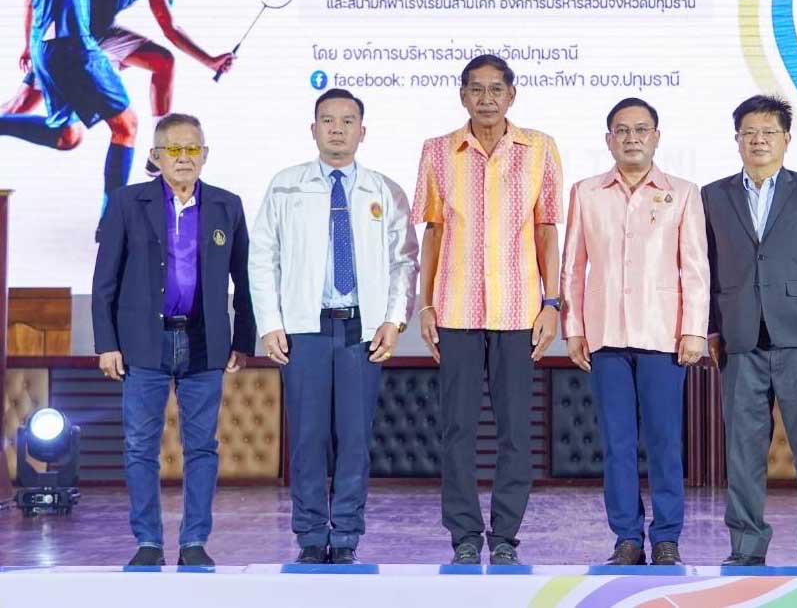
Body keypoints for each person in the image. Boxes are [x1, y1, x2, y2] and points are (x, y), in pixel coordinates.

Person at [248, 88, 418, 565]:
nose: (337, 129)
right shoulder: (286, 186)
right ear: (313, 129)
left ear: (363, 131)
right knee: (307, 438)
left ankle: (345, 535)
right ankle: (309, 534)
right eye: (328, 120)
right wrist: (270, 323)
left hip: (361, 331)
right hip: (304, 330)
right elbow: (263, 257)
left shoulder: (384, 190)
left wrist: (393, 319)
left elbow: (404, 261)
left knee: (355, 439)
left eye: (347, 121)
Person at [410, 54, 563, 565]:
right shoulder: (438, 150)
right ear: (462, 96)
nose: (486, 99)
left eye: (496, 89)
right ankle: (464, 535)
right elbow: (433, 231)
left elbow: (546, 230)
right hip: (455, 311)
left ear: (512, 95)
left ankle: (504, 537)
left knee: (516, 432)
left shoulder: (539, 148)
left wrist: (552, 302)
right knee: (457, 430)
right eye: (476, 89)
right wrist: (425, 303)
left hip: (519, 312)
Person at [91, 112, 255, 566]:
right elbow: (104, 280)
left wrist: (242, 339)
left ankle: (194, 542)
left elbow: (245, 280)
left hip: (204, 342)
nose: (184, 158)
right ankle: (147, 542)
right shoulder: (127, 202)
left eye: (192, 149)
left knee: (202, 447)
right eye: (174, 150)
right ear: (155, 156)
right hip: (143, 343)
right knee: (140, 447)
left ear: (205, 154)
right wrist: (106, 343)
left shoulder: (227, 205)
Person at [560, 97, 709, 566]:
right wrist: (573, 328)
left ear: (656, 138)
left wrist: (694, 330)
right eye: (622, 131)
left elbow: (695, 268)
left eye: (641, 129)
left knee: (665, 441)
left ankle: (666, 538)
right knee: (617, 444)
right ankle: (626, 537)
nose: (632, 138)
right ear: (609, 140)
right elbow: (572, 267)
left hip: (663, 336)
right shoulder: (586, 192)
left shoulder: (683, 192)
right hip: (605, 336)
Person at [702, 94, 797, 567]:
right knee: (743, 452)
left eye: (768, 132)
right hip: (741, 337)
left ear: (786, 139)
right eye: (749, 132)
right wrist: (711, 328)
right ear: (737, 140)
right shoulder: (713, 195)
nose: (758, 140)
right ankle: (746, 546)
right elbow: (706, 269)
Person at [1, 0, 235, 176]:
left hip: (102, 35)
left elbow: (169, 27)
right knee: (22, 107)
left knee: (164, 61)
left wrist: (210, 61)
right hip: (70, 33)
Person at [0, 0, 139, 215]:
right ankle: (113, 222)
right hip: (71, 45)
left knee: (67, 135)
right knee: (127, 125)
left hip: (49, 49)